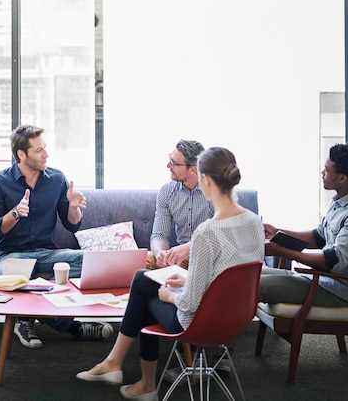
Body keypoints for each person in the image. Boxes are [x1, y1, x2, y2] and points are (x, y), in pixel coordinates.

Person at [76, 147, 265, 401]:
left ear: (205, 179)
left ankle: (141, 382)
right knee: (144, 279)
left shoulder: (207, 233)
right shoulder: (254, 222)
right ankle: (121, 369)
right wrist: (187, 279)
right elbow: (231, 276)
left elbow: (190, 303)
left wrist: (170, 296)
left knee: (144, 289)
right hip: (237, 319)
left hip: (200, 322)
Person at [0, 123, 113, 349]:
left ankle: (25, 315)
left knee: (92, 262)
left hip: (48, 254)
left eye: (45, 148)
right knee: (12, 278)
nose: (46, 154)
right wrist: (14, 214)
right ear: (21, 154)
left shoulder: (56, 179)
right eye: (39, 150)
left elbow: (72, 226)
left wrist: (73, 207)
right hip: (12, 255)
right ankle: (72, 326)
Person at [260, 142, 348, 307]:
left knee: (252, 286)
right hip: (320, 280)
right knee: (249, 275)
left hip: (337, 291)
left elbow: (331, 261)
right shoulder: (341, 201)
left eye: (327, 169)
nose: (322, 172)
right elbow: (318, 238)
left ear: (342, 178)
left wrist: (282, 251)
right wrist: (277, 231)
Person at [149, 139, 213, 270]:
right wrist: (160, 254)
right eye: (170, 159)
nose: (168, 165)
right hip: (179, 258)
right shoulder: (167, 191)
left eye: (174, 163)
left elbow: (222, 233)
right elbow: (159, 235)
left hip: (209, 257)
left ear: (193, 170)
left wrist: (188, 248)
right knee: (143, 262)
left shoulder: (215, 191)